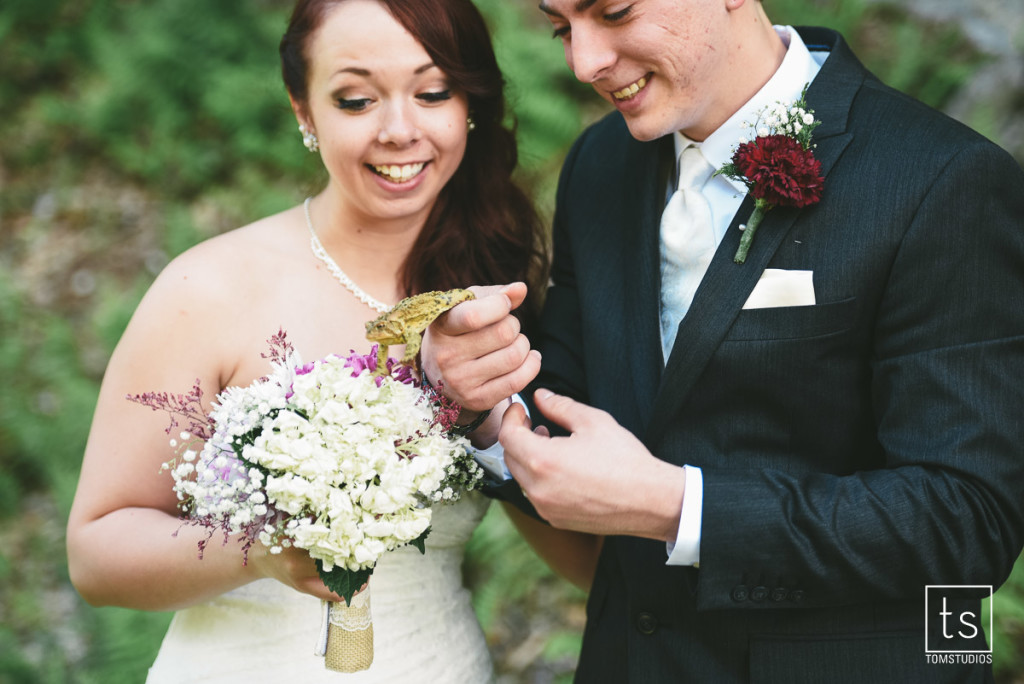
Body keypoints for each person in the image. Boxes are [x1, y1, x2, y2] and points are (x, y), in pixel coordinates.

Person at [421, 0, 1024, 681]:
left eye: (614, 12)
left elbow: (967, 518)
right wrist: (480, 406)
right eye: (562, 27)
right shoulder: (600, 163)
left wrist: (675, 507)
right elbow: (569, 411)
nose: (584, 62)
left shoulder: (942, 180)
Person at [65, 0, 553, 680]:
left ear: (467, 101)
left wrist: (484, 420)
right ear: (304, 111)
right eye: (356, 100)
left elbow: (578, 547)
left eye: (433, 92)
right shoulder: (209, 289)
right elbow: (96, 555)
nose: (399, 130)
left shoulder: (499, 294)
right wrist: (260, 549)